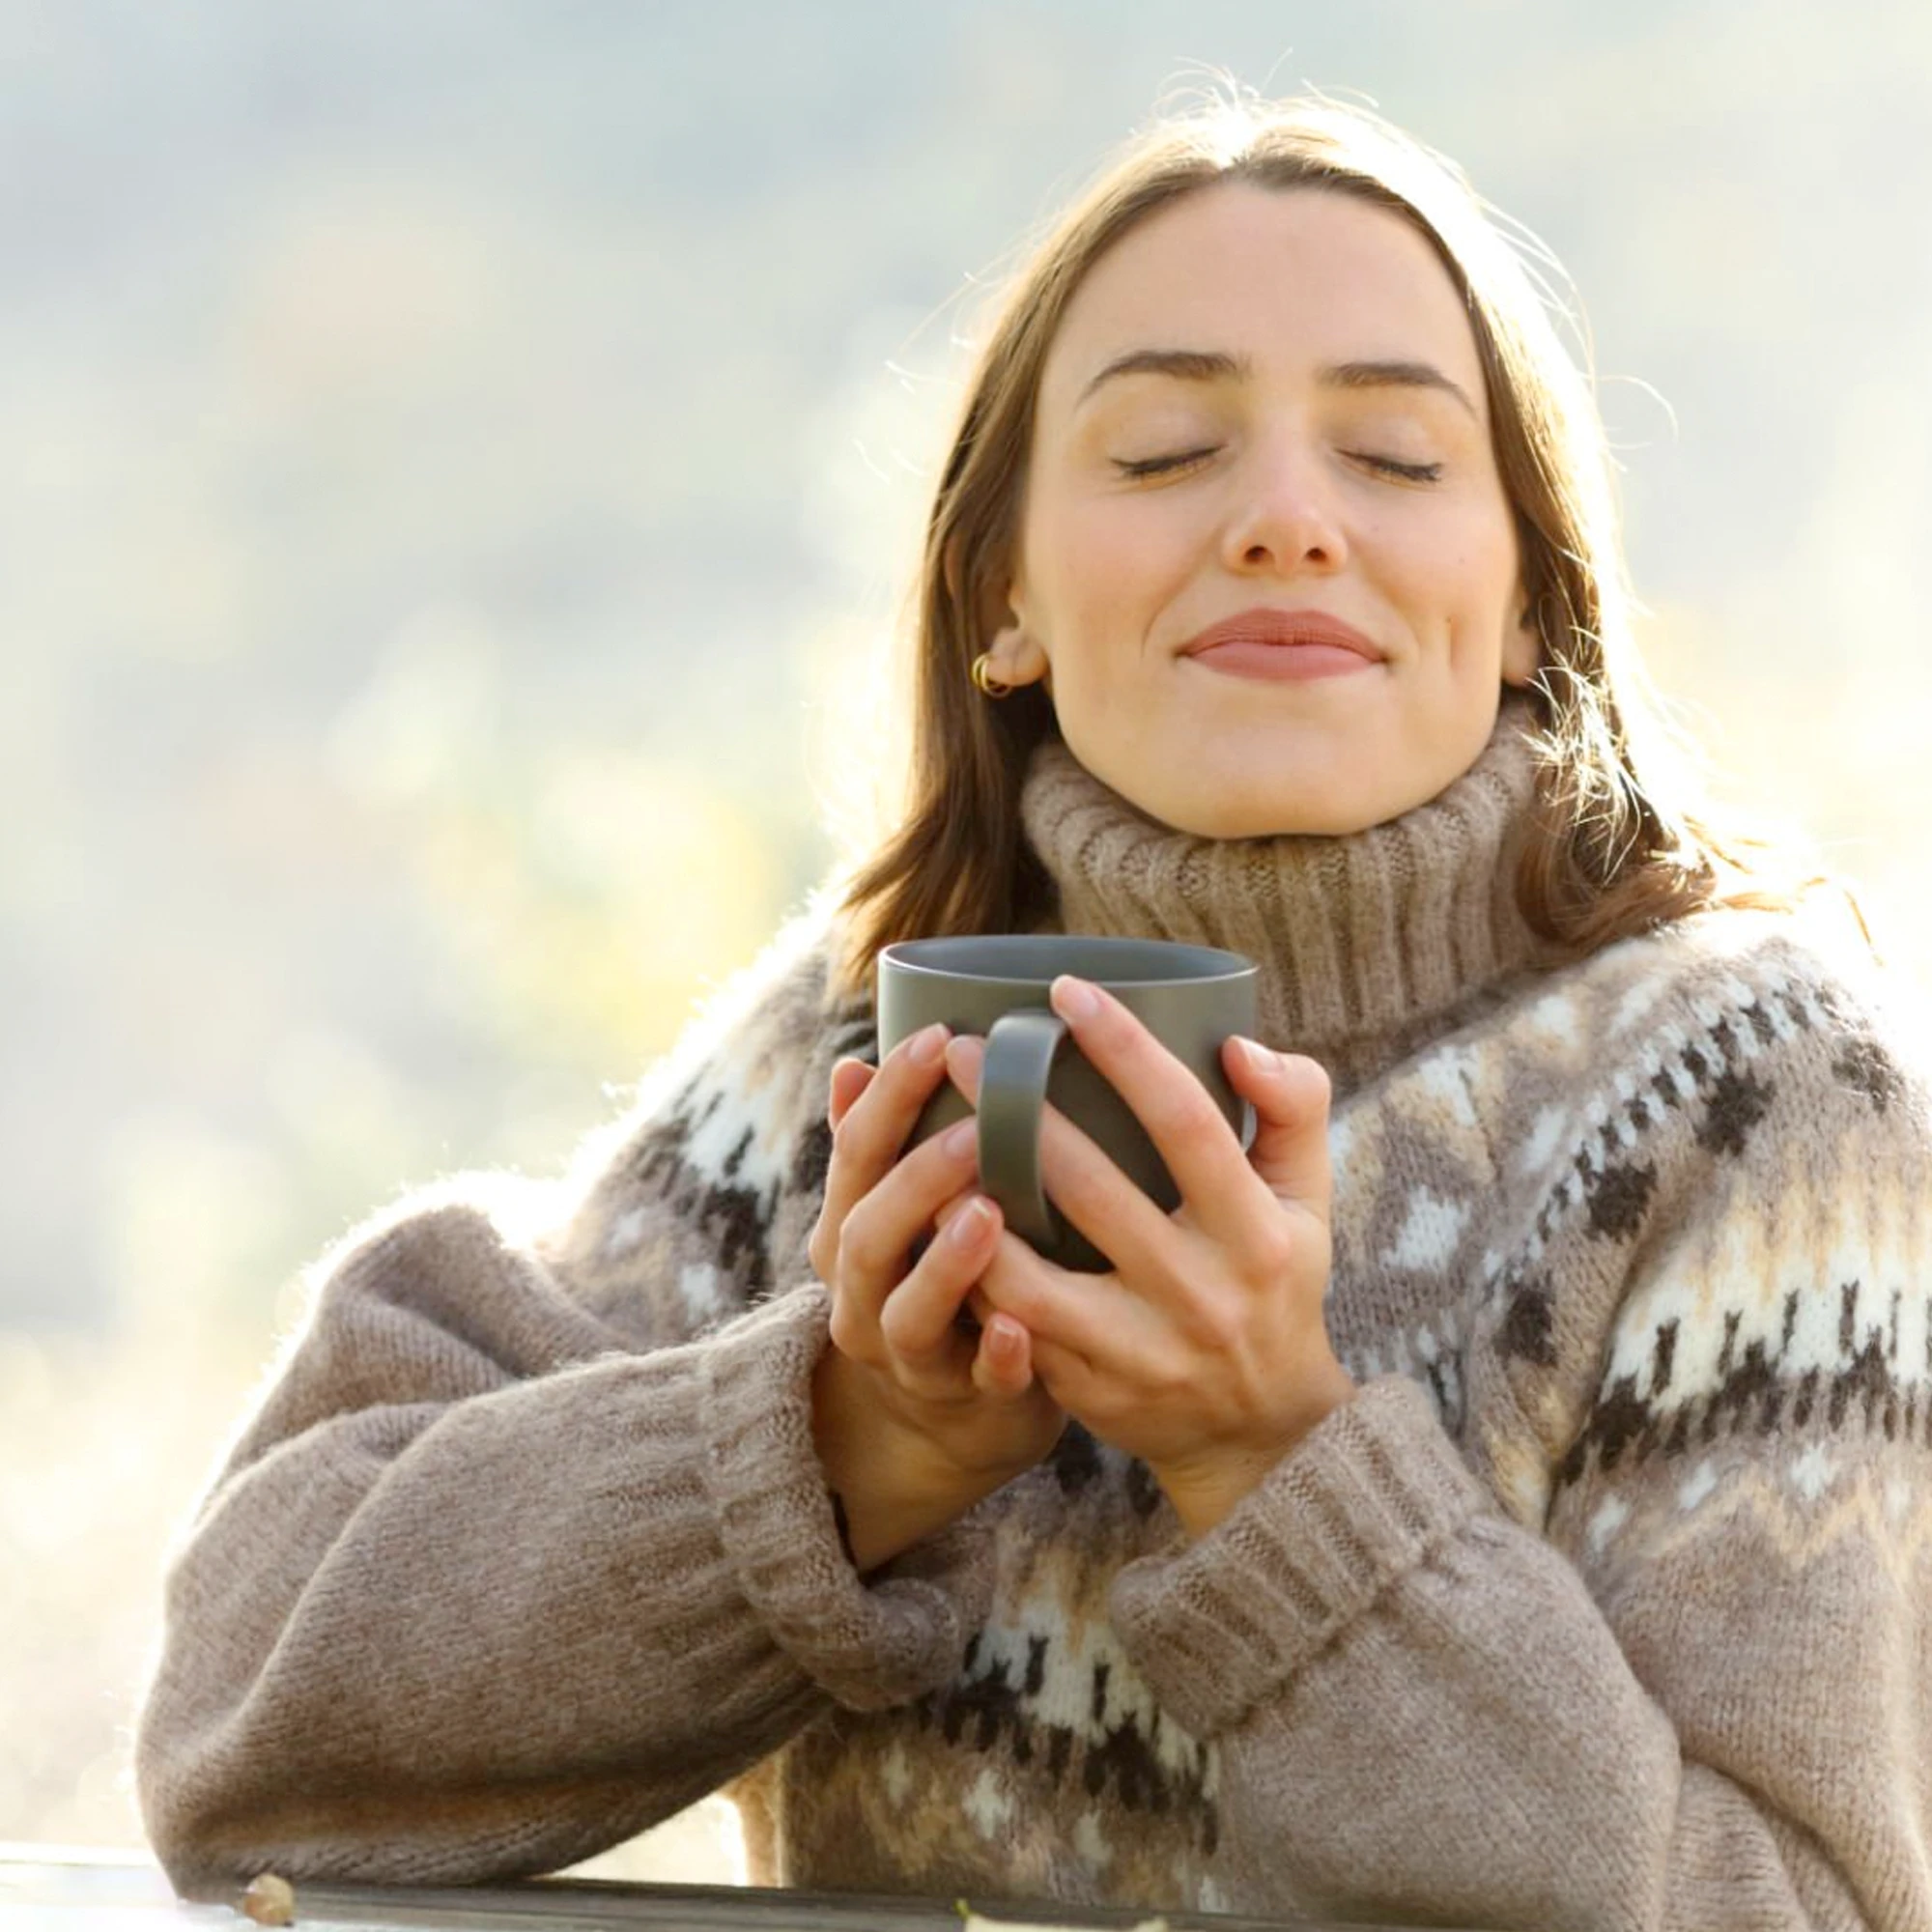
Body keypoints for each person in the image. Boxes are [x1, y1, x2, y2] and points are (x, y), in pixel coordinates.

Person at [134, 91, 1932, 1929]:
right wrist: (839, 1449)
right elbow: (236, 1731)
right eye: (1164, 451)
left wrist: (1279, 1473)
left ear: (1534, 603)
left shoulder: (1759, 1103)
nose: (1289, 522)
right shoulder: (853, 1057)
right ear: (1004, 596)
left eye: (1394, 457)